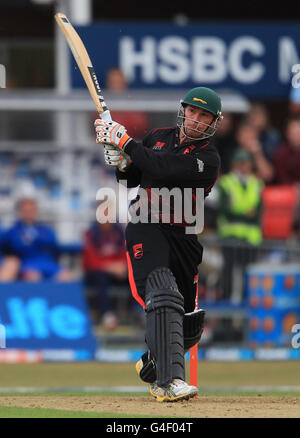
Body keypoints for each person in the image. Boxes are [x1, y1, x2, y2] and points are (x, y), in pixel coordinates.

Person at [94, 86, 222, 402]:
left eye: (204, 115)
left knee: (188, 324)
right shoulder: (158, 136)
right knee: (162, 291)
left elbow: (165, 168)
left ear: (212, 122)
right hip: (146, 223)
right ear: (183, 110)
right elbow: (132, 177)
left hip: (184, 236)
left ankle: (154, 363)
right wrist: (121, 161)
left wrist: (125, 142)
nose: (195, 119)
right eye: (192, 111)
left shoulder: (208, 158)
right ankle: (169, 382)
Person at [217, 149, 264, 301]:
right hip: (230, 235)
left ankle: (245, 316)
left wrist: (238, 213)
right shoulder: (226, 183)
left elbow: (257, 214)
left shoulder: (256, 183)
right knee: (228, 275)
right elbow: (225, 212)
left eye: (247, 163)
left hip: (250, 237)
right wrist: (246, 214)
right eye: (241, 163)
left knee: (248, 277)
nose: (244, 167)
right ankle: (226, 320)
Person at [2, 196, 73, 281]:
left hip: (47, 263)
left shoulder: (46, 230)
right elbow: (13, 248)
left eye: (32, 210)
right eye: (26, 210)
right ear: (20, 212)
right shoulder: (13, 231)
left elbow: (54, 248)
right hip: (27, 264)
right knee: (33, 277)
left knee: (66, 276)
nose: (29, 213)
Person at [82, 219, 128, 330]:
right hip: (98, 272)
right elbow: (90, 260)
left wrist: (122, 265)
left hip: (117, 270)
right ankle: (107, 314)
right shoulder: (91, 233)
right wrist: (109, 267)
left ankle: (140, 310)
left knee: (133, 275)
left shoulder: (120, 232)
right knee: (100, 278)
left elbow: (126, 252)